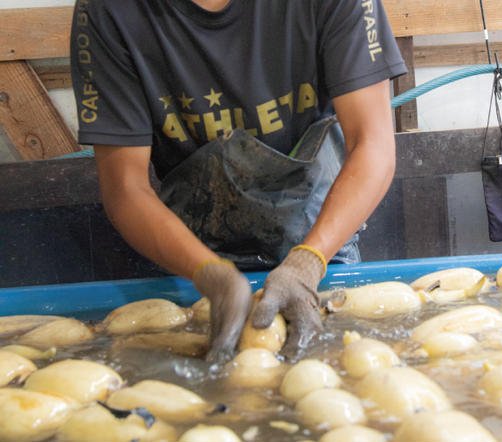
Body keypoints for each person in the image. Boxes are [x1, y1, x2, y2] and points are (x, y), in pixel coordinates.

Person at [70, 0, 407, 363]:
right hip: (191, 260)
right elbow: (126, 187)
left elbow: (372, 143)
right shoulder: (107, 9)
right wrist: (210, 274)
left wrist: (308, 262)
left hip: (321, 241)